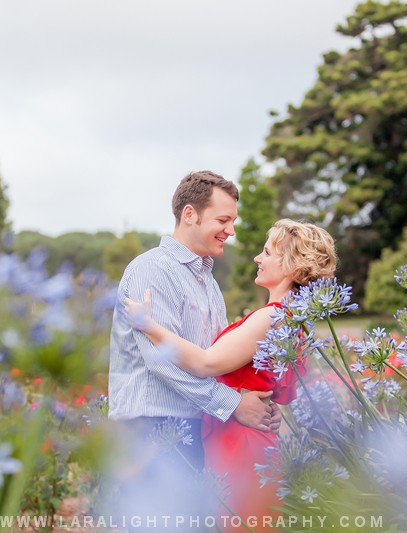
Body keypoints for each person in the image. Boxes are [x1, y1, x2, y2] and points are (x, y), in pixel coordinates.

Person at [125, 219, 338, 532]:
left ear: (292, 266)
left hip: (238, 438)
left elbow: (206, 363)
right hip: (254, 434)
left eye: (267, 253)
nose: (257, 258)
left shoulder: (271, 317)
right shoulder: (297, 321)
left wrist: (149, 325)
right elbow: (285, 390)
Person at [107, 171, 280, 530]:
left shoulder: (206, 281)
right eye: (223, 220)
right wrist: (235, 405)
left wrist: (254, 401)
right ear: (190, 214)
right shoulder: (150, 270)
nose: (230, 230)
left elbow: (216, 360)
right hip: (150, 428)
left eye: (232, 220)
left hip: (192, 425)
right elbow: (162, 361)